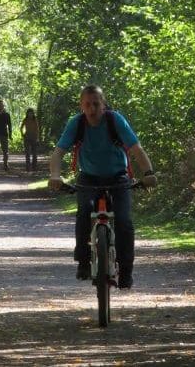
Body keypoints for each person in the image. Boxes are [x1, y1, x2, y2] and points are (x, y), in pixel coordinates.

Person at [49, 85, 158, 289]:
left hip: (118, 177)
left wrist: (149, 173)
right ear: (82, 106)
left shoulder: (115, 120)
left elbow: (136, 149)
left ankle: (126, 270)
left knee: (124, 221)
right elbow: (58, 153)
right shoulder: (77, 123)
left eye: (96, 104)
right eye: (87, 104)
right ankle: (83, 261)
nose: (92, 109)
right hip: (88, 178)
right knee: (83, 213)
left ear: (103, 104)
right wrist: (55, 175)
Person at [21, 107, 40, 172]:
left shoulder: (35, 120)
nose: (30, 115)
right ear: (27, 114)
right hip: (27, 138)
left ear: (33, 114)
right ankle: (28, 168)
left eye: (31, 113)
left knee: (34, 154)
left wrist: (37, 138)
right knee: (27, 153)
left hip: (34, 138)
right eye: (29, 113)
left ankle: (34, 168)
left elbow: (37, 129)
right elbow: (21, 127)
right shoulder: (25, 120)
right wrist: (22, 134)